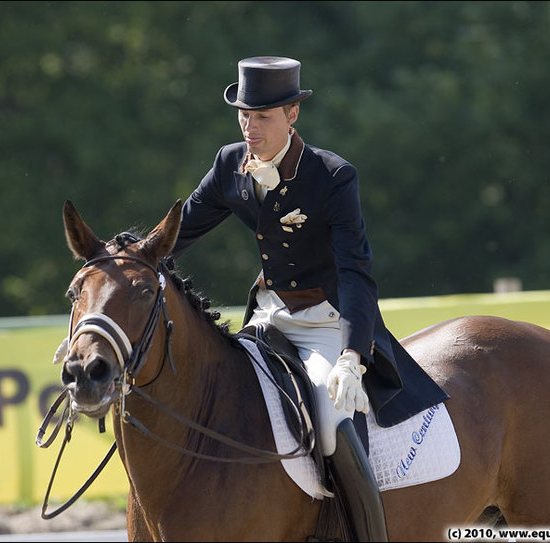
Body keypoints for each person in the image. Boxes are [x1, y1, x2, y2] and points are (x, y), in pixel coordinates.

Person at [169, 56, 450, 541]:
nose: (250, 127)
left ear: (292, 115)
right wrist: (118, 265)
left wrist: (351, 355)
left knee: (329, 421)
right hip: (268, 319)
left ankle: (363, 530)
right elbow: (174, 234)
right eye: (244, 115)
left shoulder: (333, 176)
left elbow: (356, 274)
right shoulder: (229, 163)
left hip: (326, 323)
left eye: (263, 117)